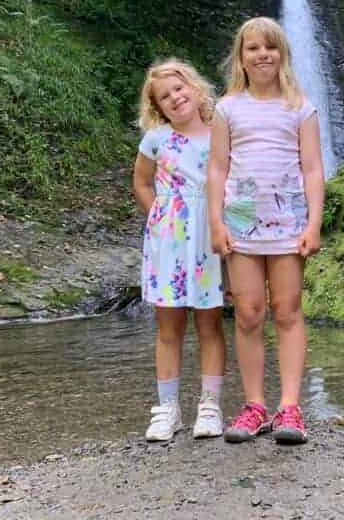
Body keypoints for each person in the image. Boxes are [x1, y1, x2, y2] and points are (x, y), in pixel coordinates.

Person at [207, 17, 325, 445]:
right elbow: (217, 168)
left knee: (288, 311)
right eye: (253, 48)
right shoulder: (227, 108)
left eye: (270, 48)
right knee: (249, 313)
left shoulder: (301, 107)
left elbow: (313, 168)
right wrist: (215, 223)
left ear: (283, 55)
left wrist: (314, 223)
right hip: (240, 228)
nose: (262, 55)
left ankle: (290, 407)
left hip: (289, 226)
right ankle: (255, 405)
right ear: (241, 57)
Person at [133, 59, 226, 442]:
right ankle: (167, 410)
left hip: (210, 236)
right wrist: (158, 215)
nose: (175, 98)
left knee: (210, 325)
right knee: (169, 329)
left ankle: (210, 407)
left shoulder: (220, 135)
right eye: (165, 96)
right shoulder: (156, 139)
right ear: (157, 107)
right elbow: (140, 182)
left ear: (196, 87)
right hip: (169, 240)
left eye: (179, 88)